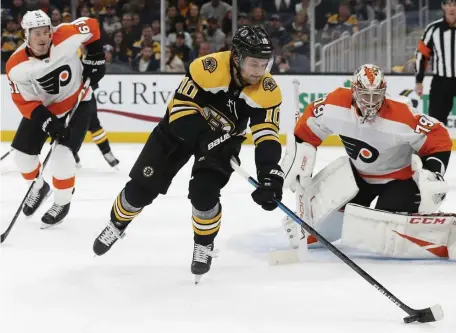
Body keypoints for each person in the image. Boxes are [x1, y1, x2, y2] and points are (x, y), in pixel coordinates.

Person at [93, 26, 284, 283]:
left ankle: (204, 244)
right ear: (237, 57)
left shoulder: (268, 89)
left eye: (264, 64)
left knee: (204, 195)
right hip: (176, 133)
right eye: (253, 64)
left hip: (224, 142)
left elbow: (267, 135)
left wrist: (270, 174)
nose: (259, 71)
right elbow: (181, 114)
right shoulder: (207, 68)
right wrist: (208, 139)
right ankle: (116, 224)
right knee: (140, 190)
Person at [280, 64, 452, 249]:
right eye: (365, 95)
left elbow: (438, 135)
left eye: (376, 95)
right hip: (357, 178)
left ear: (384, 92)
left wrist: (433, 172)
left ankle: (419, 216)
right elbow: (310, 123)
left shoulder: (401, 115)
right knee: (317, 232)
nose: (370, 102)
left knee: (382, 230)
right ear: (354, 91)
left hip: (399, 180)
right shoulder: (335, 104)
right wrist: (303, 152)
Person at [6, 10, 106, 227]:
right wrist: (48, 122)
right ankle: (39, 187)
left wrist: (96, 56)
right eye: (36, 34)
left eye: (46, 32)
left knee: (62, 157)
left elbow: (92, 25)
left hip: (78, 102)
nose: (43, 38)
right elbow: (26, 102)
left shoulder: (66, 35)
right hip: (46, 109)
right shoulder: (16, 66)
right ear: (26, 35)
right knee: (22, 157)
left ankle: (62, 201)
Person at [415, 0, 456, 126]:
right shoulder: (433, 29)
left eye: (455, 4)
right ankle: (437, 146)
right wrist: (419, 81)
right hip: (441, 81)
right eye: (448, 4)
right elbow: (422, 55)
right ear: (443, 6)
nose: (452, 8)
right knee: (435, 122)